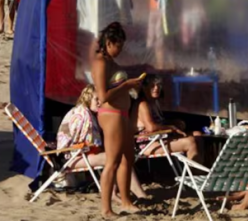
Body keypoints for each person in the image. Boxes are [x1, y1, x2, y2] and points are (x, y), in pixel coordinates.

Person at [57, 85, 148, 198]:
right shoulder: (82, 115)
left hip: (79, 154)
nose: (100, 102)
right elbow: (85, 143)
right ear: (87, 98)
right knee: (117, 158)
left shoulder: (86, 112)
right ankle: (138, 194)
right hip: (70, 158)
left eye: (101, 99)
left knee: (117, 156)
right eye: (96, 99)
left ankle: (119, 193)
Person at [92, 22, 144, 217]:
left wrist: (132, 88)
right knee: (112, 161)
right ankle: (106, 208)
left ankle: (126, 201)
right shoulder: (100, 62)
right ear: (109, 42)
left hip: (122, 112)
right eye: (118, 45)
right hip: (111, 114)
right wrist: (126, 84)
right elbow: (103, 95)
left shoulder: (111, 62)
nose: (120, 50)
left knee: (128, 158)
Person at [134, 74, 199, 162]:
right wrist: (171, 127)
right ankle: (194, 173)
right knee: (190, 142)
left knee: (197, 134)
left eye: (159, 85)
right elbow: (151, 128)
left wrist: (173, 123)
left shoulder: (154, 102)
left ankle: (203, 170)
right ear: (144, 87)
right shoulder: (142, 104)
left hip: (160, 138)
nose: (156, 88)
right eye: (152, 85)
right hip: (148, 145)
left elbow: (158, 123)